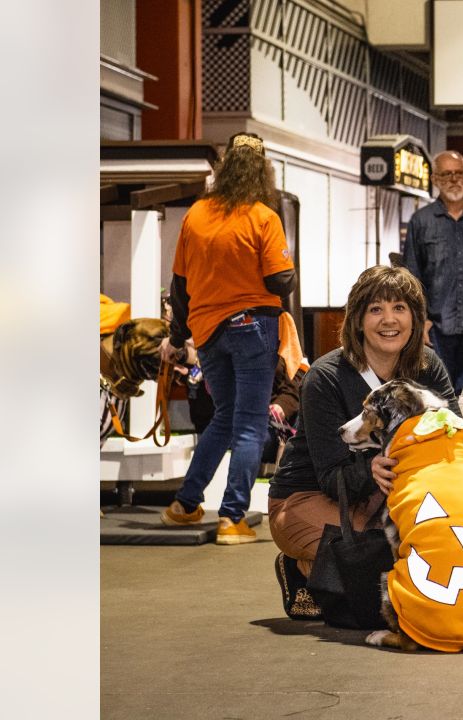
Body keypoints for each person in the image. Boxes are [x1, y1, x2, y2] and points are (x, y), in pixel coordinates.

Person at [267, 266, 462, 616]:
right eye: (376, 309)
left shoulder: (427, 365)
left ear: (415, 318)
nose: (390, 320)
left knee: (426, 546)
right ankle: (300, 571)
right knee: (384, 551)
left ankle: (333, 567)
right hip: (306, 496)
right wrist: (369, 470)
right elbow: (329, 476)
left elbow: (460, 435)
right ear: (357, 320)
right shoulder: (324, 378)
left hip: (390, 495)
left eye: (400, 308)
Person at [158, 132, 296, 545]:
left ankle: (185, 503)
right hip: (252, 325)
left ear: (224, 170)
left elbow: (179, 286)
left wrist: (179, 336)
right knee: (251, 423)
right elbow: (280, 280)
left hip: (208, 331)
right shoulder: (263, 216)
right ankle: (231, 518)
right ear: (262, 172)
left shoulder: (196, 216)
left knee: (225, 415)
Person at [402, 150, 463, 395]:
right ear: (435, 179)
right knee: (439, 393)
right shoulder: (421, 221)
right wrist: (419, 322)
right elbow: (410, 277)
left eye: (458, 173)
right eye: (446, 174)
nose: (453, 179)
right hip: (436, 328)